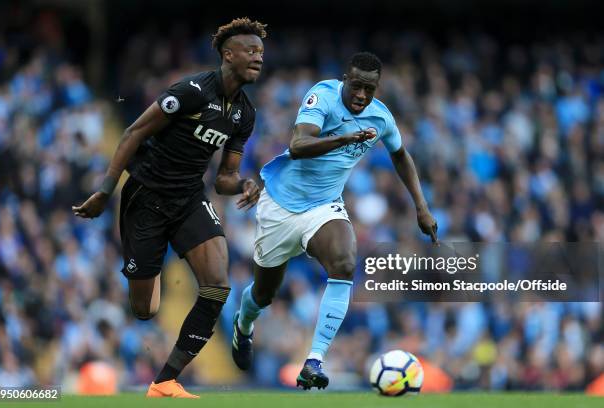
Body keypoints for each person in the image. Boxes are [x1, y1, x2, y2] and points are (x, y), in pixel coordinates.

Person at [72, 17, 267, 398]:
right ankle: (152, 267)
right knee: (144, 311)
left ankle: (165, 380)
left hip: (189, 198)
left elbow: (224, 178)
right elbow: (134, 132)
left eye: (261, 52)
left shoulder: (244, 114)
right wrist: (105, 191)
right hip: (146, 197)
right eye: (251, 51)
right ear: (229, 55)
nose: (259, 58)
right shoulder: (192, 91)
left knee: (218, 285)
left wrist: (243, 183)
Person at [232, 52, 438, 390]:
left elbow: (400, 155)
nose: (361, 95)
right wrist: (342, 139)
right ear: (345, 79)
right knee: (264, 294)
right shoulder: (322, 96)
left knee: (344, 263)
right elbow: (298, 145)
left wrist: (421, 206)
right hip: (279, 206)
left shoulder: (380, 117)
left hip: (323, 206)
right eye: (356, 86)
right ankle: (244, 324)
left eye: (369, 89)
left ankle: (314, 361)